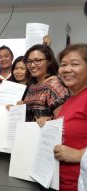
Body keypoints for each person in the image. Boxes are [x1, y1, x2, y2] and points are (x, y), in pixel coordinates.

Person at [53, 43, 87, 191]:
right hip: (60, 183)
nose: (66, 69)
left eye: (74, 64)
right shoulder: (70, 98)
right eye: (63, 64)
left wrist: (79, 154)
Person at [22, 44, 69, 125]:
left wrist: (49, 119)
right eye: (29, 61)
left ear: (49, 62)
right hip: (30, 135)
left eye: (37, 60)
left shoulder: (54, 85)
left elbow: (62, 121)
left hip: (47, 135)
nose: (32, 65)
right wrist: (19, 108)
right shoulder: (33, 86)